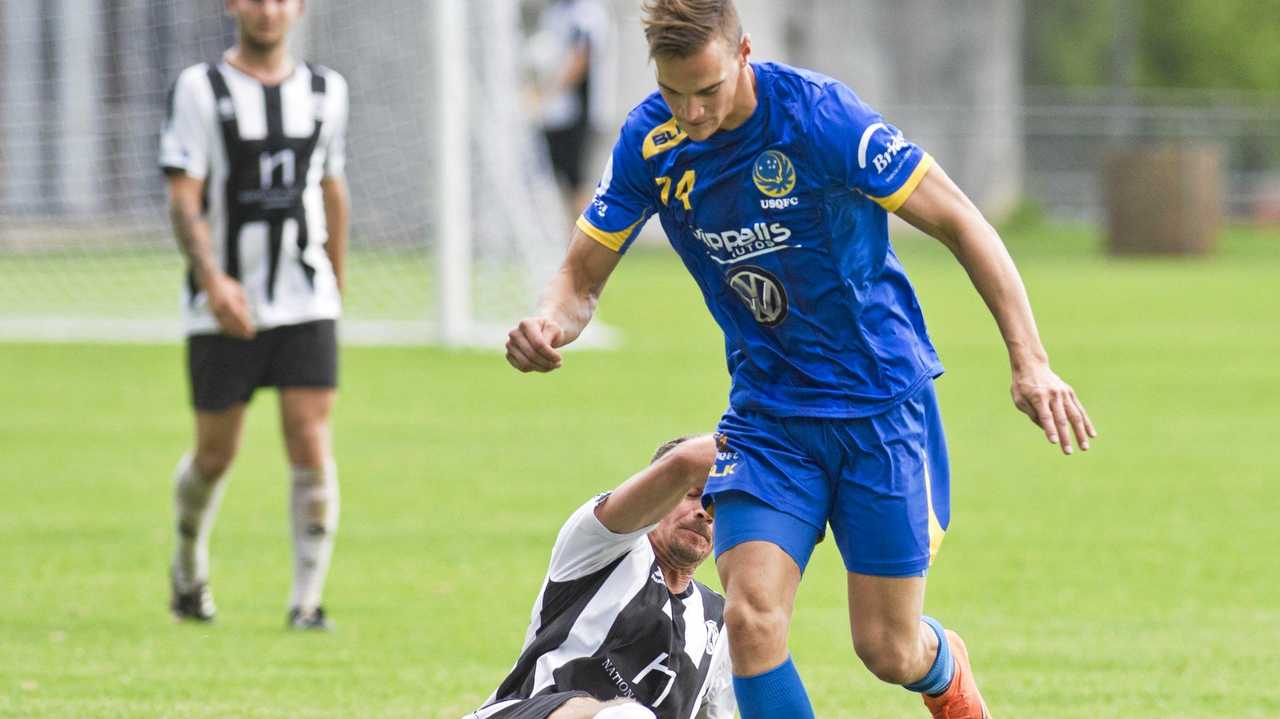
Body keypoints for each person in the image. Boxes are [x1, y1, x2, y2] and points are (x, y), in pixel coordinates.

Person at [504, 0, 1098, 716]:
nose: (691, 113)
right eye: (673, 93)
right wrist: (548, 322)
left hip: (878, 403)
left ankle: (946, 672)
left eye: (708, 90)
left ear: (745, 53)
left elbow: (960, 220)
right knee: (751, 620)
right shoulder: (651, 143)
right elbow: (579, 278)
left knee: (887, 647)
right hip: (770, 413)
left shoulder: (820, 120)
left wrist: (1029, 359)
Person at [158, 0, 350, 631]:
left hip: (306, 298)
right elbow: (183, 195)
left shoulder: (326, 91)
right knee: (216, 454)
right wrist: (214, 281)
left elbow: (331, 189)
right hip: (223, 303)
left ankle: (307, 603)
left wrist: (335, 288)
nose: (267, 11)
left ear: (300, 9)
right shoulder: (199, 88)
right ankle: (187, 568)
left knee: (309, 440)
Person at [466, 435, 734, 719]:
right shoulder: (602, 546)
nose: (704, 512)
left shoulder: (720, 624)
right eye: (692, 495)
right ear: (657, 497)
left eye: (717, 506)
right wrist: (755, 437)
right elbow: (684, 461)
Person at [527, 0, 616, 220]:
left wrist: (547, 94)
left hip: (579, 115)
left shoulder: (587, 12)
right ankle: (570, 240)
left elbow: (581, 59)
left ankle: (586, 240)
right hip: (554, 115)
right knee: (561, 182)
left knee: (578, 182)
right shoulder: (554, 12)